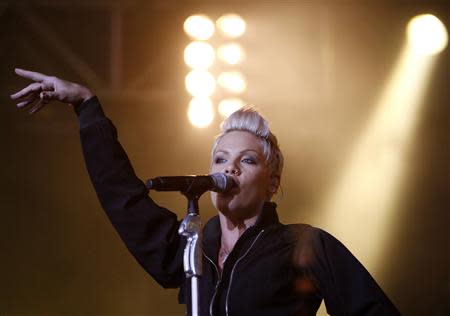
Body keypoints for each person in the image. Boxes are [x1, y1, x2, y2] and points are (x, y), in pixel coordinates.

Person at [11, 68, 402, 316]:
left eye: (247, 160)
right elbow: (125, 200)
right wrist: (86, 106)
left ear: (273, 181)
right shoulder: (194, 246)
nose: (228, 168)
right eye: (220, 159)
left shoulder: (304, 244)